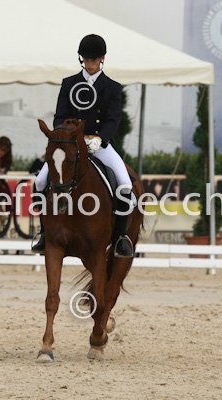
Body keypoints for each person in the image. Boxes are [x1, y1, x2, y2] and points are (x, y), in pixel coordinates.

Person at [31, 34, 134, 257]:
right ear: (82, 59)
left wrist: (100, 138)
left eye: (94, 60)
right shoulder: (69, 84)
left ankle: (119, 238)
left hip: (99, 144)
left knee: (125, 184)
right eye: (86, 59)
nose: (90, 64)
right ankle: (44, 233)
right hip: (70, 144)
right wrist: (66, 135)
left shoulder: (112, 87)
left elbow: (113, 120)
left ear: (102, 59)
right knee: (40, 180)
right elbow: (59, 116)